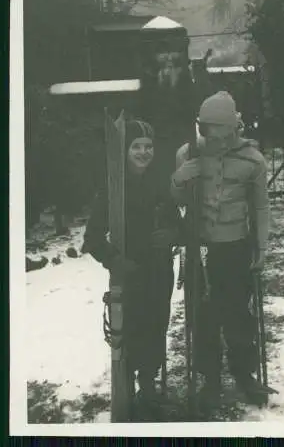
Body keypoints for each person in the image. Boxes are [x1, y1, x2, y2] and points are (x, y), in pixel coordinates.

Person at [171, 91, 270, 405]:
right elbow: (178, 202)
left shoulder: (252, 160)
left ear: (231, 127)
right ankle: (209, 378)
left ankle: (244, 375)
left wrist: (262, 248)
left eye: (215, 129)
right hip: (201, 248)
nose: (209, 137)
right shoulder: (188, 154)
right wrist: (177, 180)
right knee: (203, 315)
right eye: (204, 129)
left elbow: (260, 209)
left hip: (237, 247)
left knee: (239, 314)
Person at [82, 119, 181, 417]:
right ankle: (125, 393)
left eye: (148, 147)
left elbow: (178, 224)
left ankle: (148, 388)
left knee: (156, 329)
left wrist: (172, 234)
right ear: (124, 151)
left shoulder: (159, 182)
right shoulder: (113, 186)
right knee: (131, 333)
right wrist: (115, 261)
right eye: (136, 146)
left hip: (159, 271)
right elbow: (92, 238)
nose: (143, 152)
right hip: (130, 274)